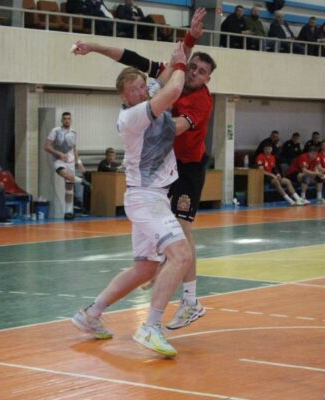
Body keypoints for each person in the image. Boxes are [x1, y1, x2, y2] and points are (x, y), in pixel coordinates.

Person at [72, 8, 214, 331]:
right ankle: (159, 321)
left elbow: (130, 57)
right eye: (138, 86)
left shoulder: (189, 100)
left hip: (180, 172)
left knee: (147, 266)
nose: (146, 87)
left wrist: (93, 47)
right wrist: (178, 64)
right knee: (180, 252)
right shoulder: (140, 112)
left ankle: (92, 313)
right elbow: (171, 92)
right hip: (149, 194)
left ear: (208, 78)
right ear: (126, 95)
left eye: (145, 84)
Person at [43, 112, 87, 220]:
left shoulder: (74, 132)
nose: (67, 120)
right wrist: (59, 154)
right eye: (65, 118)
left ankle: (68, 212)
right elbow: (46, 147)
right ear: (61, 120)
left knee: (69, 188)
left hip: (70, 162)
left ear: (71, 120)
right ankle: (81, 181)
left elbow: (74, 149)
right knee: (65, 175)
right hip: (59, 160)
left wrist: (79, 163)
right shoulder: (55, 131)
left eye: (68, 118)